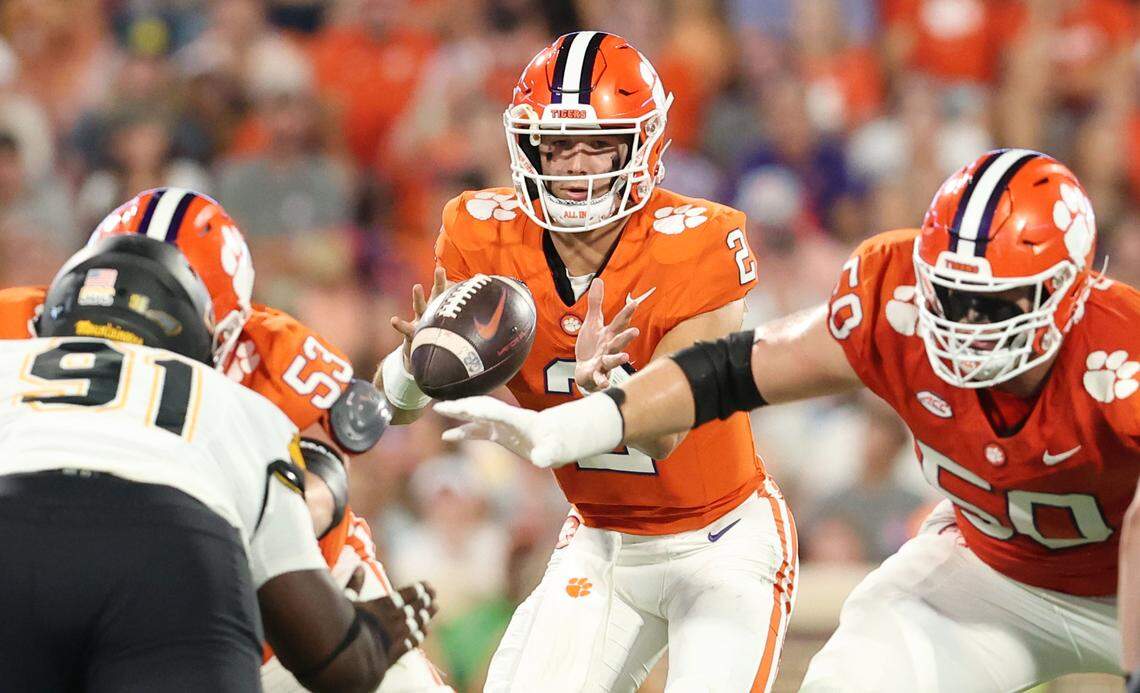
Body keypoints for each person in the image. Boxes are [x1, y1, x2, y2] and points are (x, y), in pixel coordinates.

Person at [437, 149, 1137, 690]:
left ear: (1070, 291)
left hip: (1121, 588)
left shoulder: (1123, 357)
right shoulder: (893, 301)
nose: (963, 324)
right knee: (856, 675)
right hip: (990, 570)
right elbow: (730, 371)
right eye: (949, 293)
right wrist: (588, 423)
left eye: (994, 304)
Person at [377, 31, 796, 692]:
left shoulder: (701, 240)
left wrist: (617, 388)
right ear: (527, 145)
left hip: (720, 539)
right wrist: (413, 366)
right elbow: (397, 409)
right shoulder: (482, 233)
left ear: (643, 143)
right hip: (601, 537)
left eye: (598, 143)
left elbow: (666, 426)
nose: (575, 166)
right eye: (558, 144)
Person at [0, 187, 452, 692]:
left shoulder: (271, 354)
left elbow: (326, 472)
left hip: (284, 590)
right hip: (182, 581)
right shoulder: (236, 402)